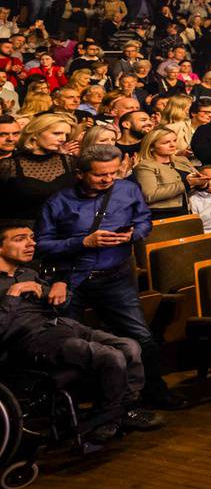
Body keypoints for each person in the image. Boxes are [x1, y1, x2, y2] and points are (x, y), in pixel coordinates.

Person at [35, 146, 185, 411]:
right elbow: (43, 246)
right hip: (73, 280)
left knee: (140, 335)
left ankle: (154, 392)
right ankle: (67, 406)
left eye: (113, 173)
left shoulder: (127, 190)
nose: (107, 179)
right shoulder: (58, 202)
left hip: (116, 276)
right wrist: (83, 241)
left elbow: (144, 220)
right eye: (100, 175)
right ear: (80, 174)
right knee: (68, 342)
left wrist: (134, 234)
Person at [0, 274, 161, 441]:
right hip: (33, 340)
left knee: (130, 347)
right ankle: (104, 420)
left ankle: (126, 409)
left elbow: (64, 302)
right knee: (110, 356)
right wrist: (14, 294)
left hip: (63, 325)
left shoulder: (28, 273)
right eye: (19, 244)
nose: (31, 245)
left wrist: (53, 289)